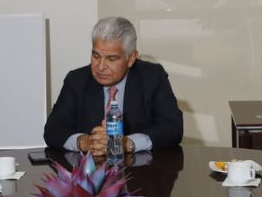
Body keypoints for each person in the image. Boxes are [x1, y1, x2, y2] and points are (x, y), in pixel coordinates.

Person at [43, 16, 183, 155]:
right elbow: (53, 129)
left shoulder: (152, 77)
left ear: (131, 58)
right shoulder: (77, 80)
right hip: (89, 172)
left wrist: (127, 143)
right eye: (96, 56)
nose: (101, 67)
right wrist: (84, 142)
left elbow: (173, 127)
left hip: (140, 171)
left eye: (111, 58)